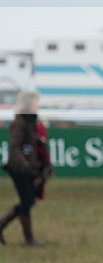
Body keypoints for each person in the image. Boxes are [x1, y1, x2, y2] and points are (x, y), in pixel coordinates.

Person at [0, 90, 52, 246]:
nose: (38, 106)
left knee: (28, 201)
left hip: (27, 167)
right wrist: (24, 164)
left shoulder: (30, 122)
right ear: (29, 104)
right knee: (27, 201)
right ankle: (29, 239)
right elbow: (15, 146)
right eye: (36, 102)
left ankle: (4, 226)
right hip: (19, 168)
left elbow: (29, 142)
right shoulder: (19, 123)